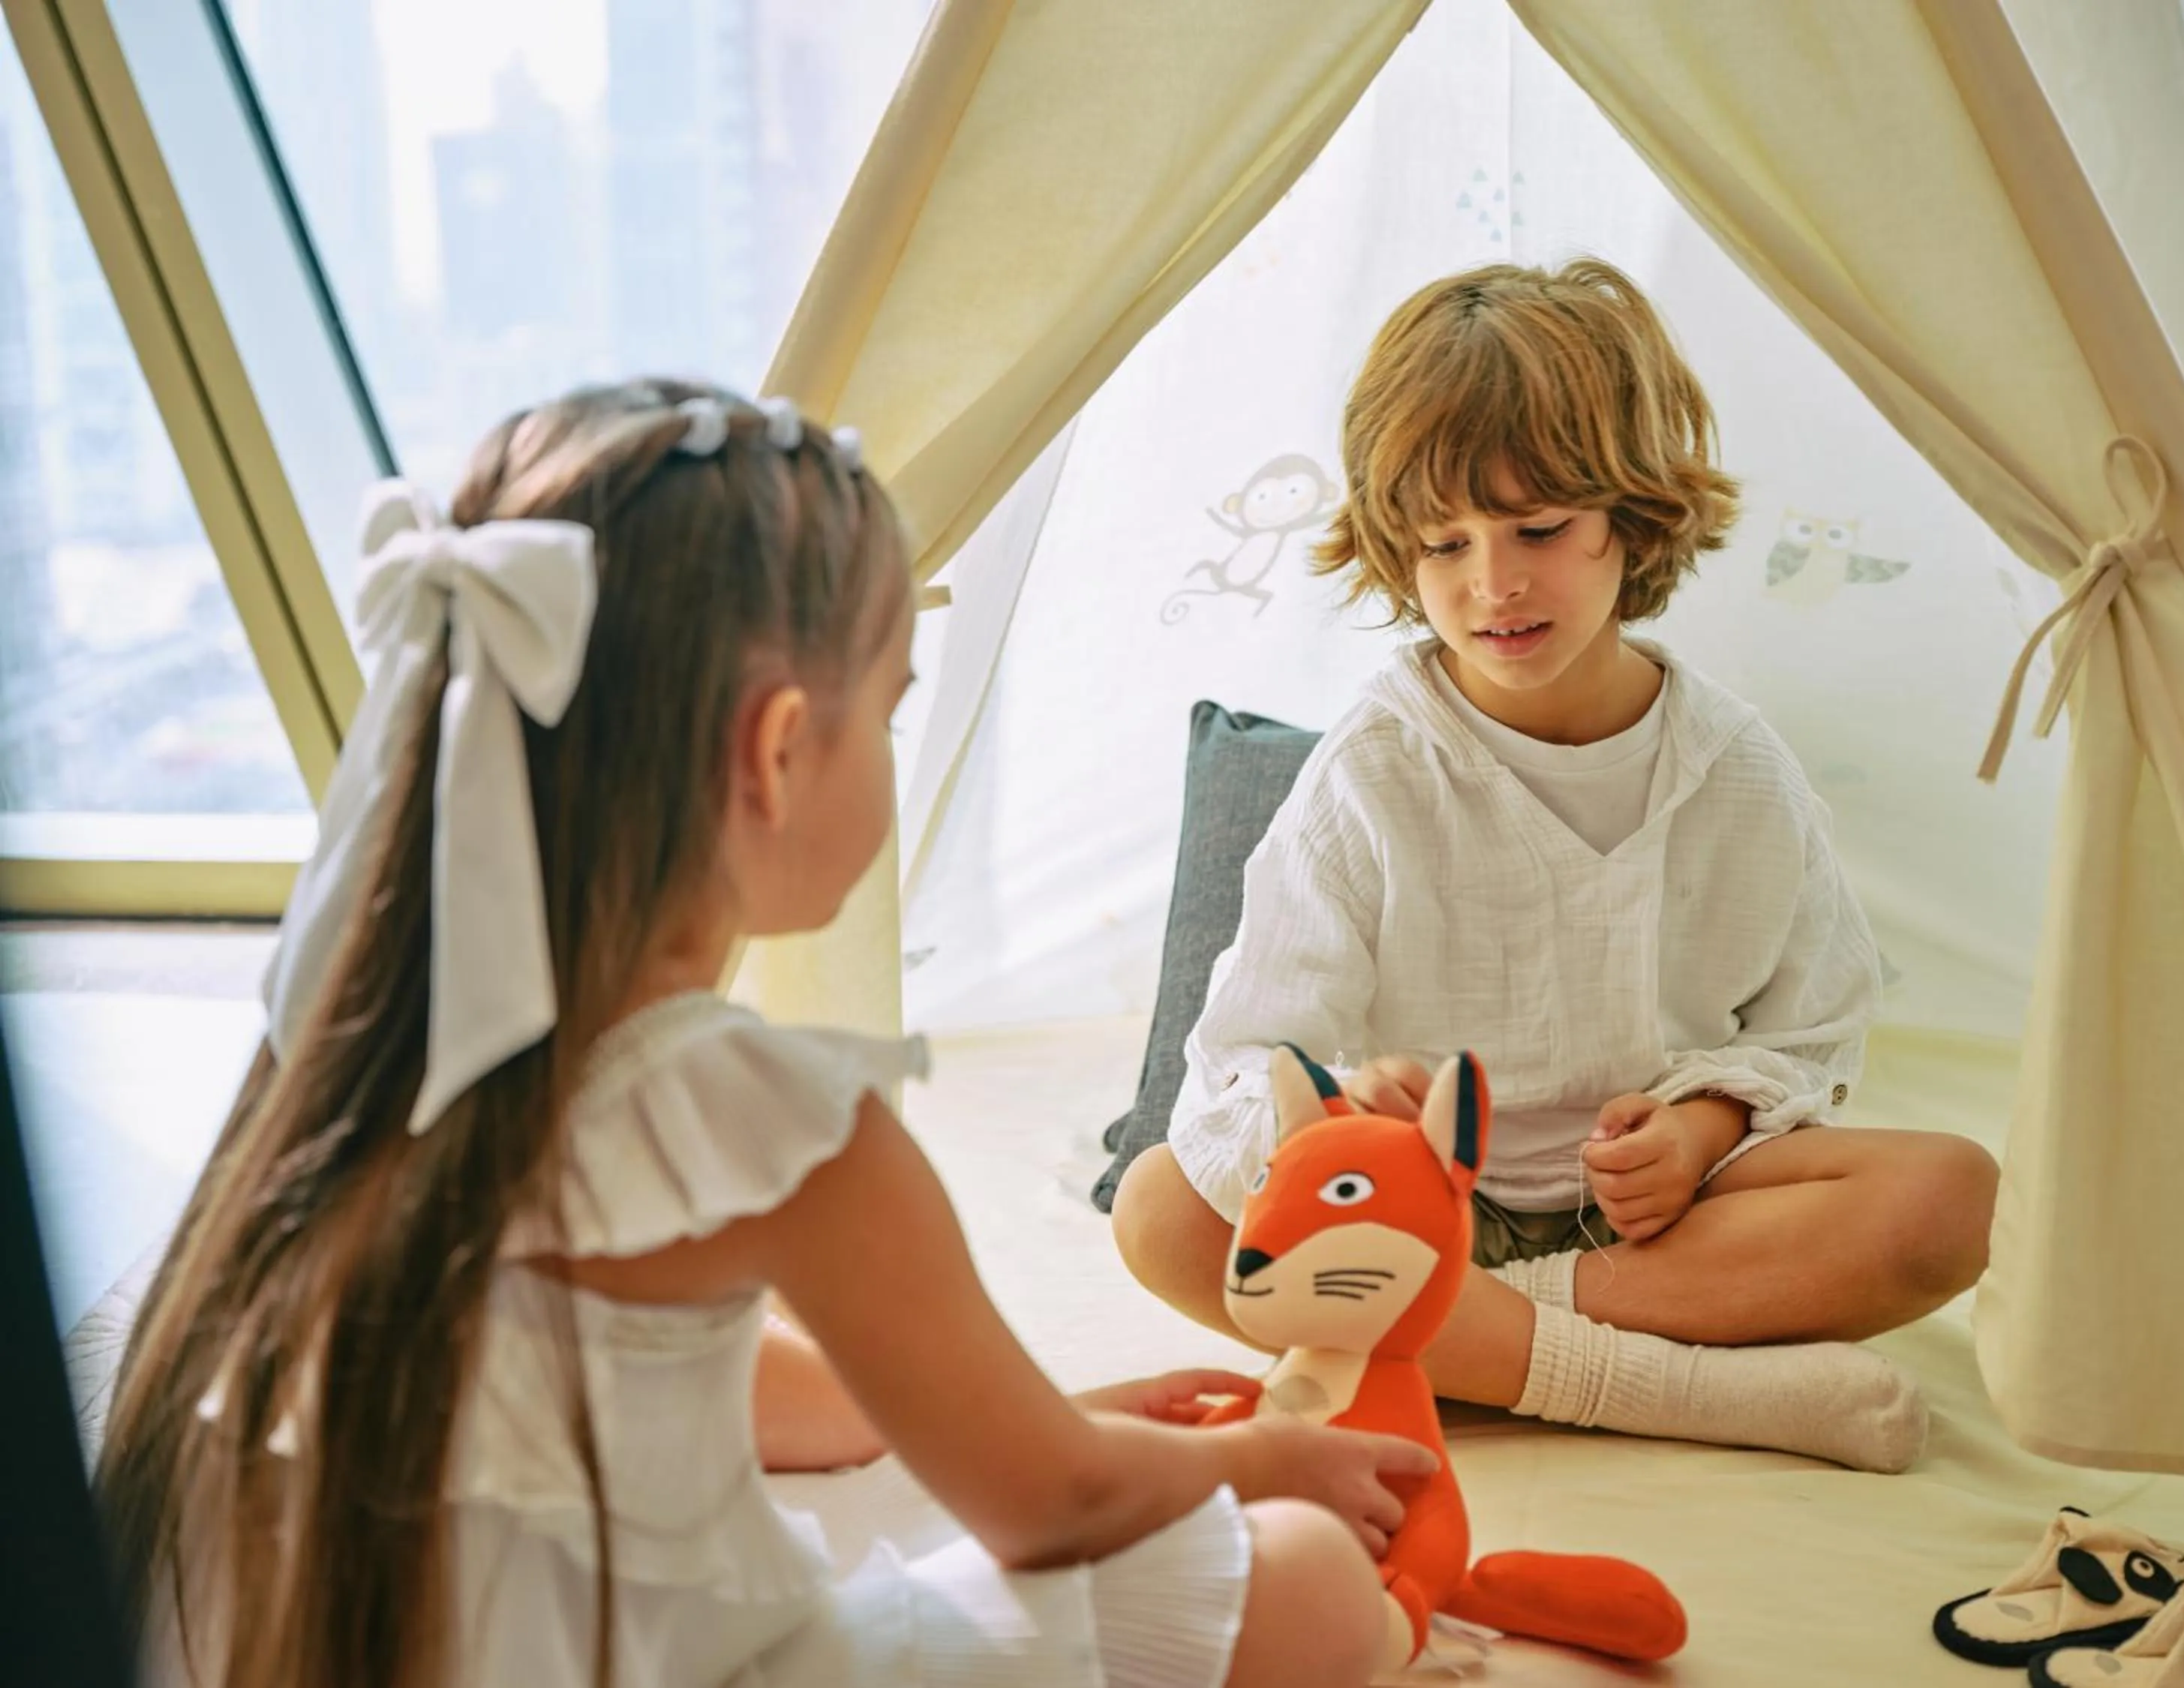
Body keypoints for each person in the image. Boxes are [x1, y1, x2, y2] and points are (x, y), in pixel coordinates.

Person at [96, 380, 1434, 1688]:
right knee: (1305, 1579)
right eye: (892, 711)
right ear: (780, 749)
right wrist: (1244, 1461)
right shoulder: (760, 1115)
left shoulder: (364, 1039)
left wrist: (1021, 1418)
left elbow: (670, 1369)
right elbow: (1057, 1505)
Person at [1112, 260, 1999, 1475]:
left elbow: (1813, 1026)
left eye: (1540, 529)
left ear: (1633, 519)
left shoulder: (1734, 767)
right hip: (1417, 1213)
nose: (1494, 583)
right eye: (1445, 543)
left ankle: (1471, 1352)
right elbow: (1251, 1060)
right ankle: (1648, 1384)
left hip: (1654, 1227)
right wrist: (1343, 1117)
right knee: (1162, 1210)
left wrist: (1699, 1128)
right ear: (1396, 550)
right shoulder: (1374, 772)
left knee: (1949, 1195)